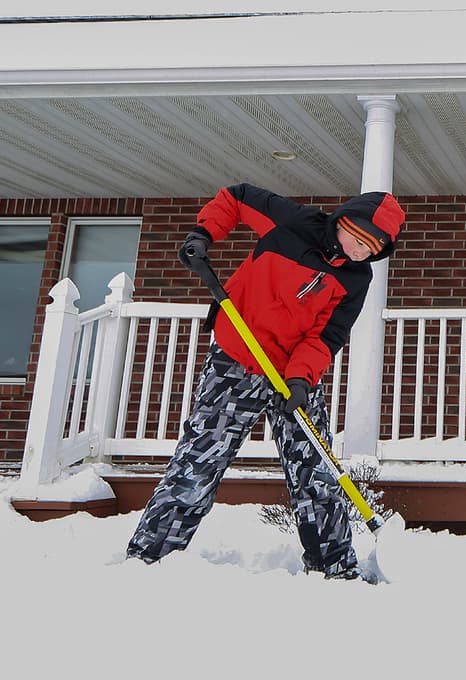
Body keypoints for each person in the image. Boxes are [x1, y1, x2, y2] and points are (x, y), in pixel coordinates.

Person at [125, 184, 406, 580]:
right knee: (200, 461)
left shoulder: (357, 279)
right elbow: (236, 198)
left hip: (293, 376)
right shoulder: (295, 223)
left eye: (373, 247)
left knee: (316, 469)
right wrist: (203, 234)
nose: (361, 250)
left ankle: (334, 567)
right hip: (237, 360)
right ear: (342, 220)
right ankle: (149, 558)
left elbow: (326, 337)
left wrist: (301, 380)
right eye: (357, 238)